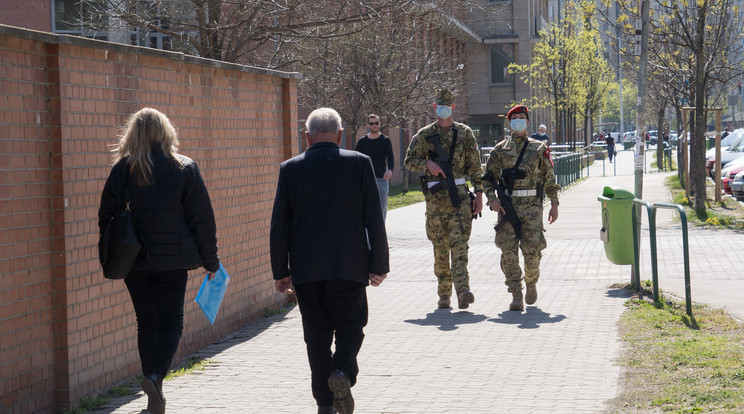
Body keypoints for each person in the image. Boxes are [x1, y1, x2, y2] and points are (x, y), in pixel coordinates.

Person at [98, 108, 219, 414]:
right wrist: (210, 260)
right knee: (171, 324)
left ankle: (153, 385)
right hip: (173, 262)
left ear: (132, 134)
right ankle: (155, 377)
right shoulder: (184, 168)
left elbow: (105, 217)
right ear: (166, 133)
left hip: (133, 262)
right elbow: (202, 219)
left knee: (146, 323)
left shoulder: (121, 170)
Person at [270, 107, 389, 414]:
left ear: (306, 137)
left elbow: (279, 224)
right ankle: (343, 371)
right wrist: (379, 265)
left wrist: (281, 271)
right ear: (340, 135)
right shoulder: (360, 164)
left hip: (307, 271)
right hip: (350, 267)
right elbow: (374, 219)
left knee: (316, 338)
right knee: (352, 325)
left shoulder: (290, 169)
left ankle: (325, 403)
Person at [403, 87, 484, 310]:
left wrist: (479, 194)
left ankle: (462, 290)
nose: (444, 109)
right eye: (440, 106)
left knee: (460, 246)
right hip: (436, 200)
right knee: (440, 247)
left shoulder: (465, 133)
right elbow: (408, 161)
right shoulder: (425, 135)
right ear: (434, 107)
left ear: (453, 108)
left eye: (448, 106)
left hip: (460, 198)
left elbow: (476, 167)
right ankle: (444, 293)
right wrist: (427, 164)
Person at [482, 104, 561, 311]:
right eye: (514, 117)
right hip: (507, 208)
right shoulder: (500, 149)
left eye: (521, 117)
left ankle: (531, 283)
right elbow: (487, 178)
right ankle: (516, 293)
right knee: (508, 252)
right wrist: (492, 200)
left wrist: (554, 204)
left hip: (533, 208)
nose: (517, 120)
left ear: (527, 122)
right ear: (510, 122)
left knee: (533, 252)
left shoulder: (539, 148)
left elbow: (549, 179)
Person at [355, 114, 394, 221]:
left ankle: (380, 234)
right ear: (368, 125)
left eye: (376, 123)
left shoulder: (385, 140)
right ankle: (367, 235)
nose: (374, 125)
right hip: (366, 180)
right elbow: (356, 159)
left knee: (382, 208)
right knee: (365, 208)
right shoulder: (362, 142)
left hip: (382, 179)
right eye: (372, 123)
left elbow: (390, 157)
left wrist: (390, 170)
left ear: (379, 124)